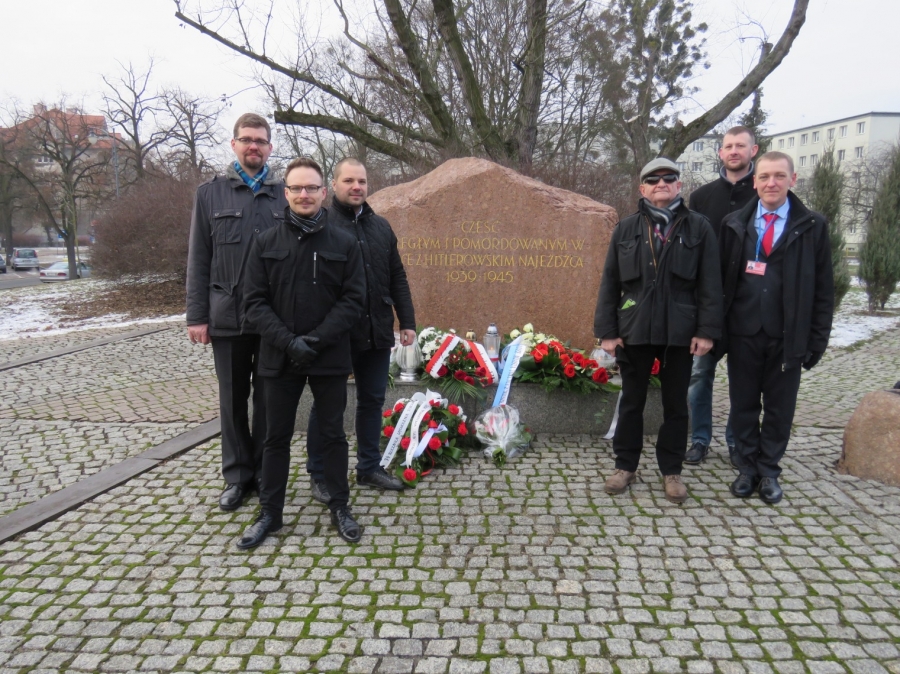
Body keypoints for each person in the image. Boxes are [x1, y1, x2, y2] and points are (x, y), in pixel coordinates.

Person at [238, 157, 366, 549]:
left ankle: (340, 506)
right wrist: (288, 341)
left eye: (311, 188)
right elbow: (253, 302)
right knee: (274, 438)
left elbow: (353, 300)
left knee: (333, 436)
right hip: (279, 357)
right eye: (297, 188)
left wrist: (316, 340)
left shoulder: (344, 242)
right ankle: (270, 513)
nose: (304, 194)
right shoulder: (265, 242)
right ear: (286, 193)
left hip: (329, 356)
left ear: (323, 192)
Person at [594, 158, 723, 503]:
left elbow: (711, 283)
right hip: (635, 327)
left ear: (679, 185)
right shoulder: (626, 229)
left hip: (680, 332)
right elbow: (610, 282)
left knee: (676, 406)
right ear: (642, 189)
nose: (661, 183)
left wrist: (706, 331)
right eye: (653, 179)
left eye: (669, 178)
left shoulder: (699, 228)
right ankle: (625, 466)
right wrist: (607, 331)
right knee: (631, 402)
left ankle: (671, 471)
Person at [186, 113, 287, 512]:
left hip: (273, 320)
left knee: (267, 400)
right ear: (234, 144)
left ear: (270, 148)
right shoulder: (209, 194)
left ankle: (263, 473)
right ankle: (237, 476)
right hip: (227, 316)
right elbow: (199, 258)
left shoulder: (285, 194)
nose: (253, 146)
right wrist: (197, 316)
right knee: (232, 401)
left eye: (260, 141)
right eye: (246, 139)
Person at [720, 151, 834, 504]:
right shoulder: (734, 223)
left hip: (788, 335)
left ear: (792, 179)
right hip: (743, 332)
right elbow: (721, 281)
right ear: (754, 181)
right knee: (743, 405)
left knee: (779, 408)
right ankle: (747, 468)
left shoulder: (812, 225)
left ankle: (769, 469)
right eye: (765, 176)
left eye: (779, 176)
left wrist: (816, 340)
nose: (772, 183)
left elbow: (823, 289)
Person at [305, 158, 417, 501]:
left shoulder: (381, 227)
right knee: (328, 405)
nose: (357, 187)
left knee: (372, 400)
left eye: (362, 181)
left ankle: (369, 467)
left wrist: (407, 321)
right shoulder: (320, 225)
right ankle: (319, 473)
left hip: (376, 328)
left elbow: (397, 276)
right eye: (349, 181)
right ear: (333, 185)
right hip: (337, 333)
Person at [685, 126, 759, 467]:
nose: (734, 151)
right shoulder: (702, 197)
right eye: (728, 146)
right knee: (699, 375)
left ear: (753, 150)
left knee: (744, 381)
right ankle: (700, 438)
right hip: (707, 305)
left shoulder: (763, 193)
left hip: (747, 304)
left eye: (740, 145)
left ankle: (736, 441)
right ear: (720, 152)